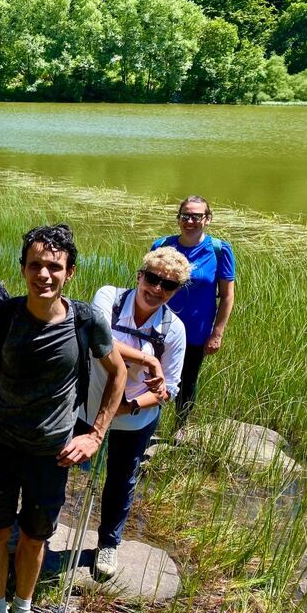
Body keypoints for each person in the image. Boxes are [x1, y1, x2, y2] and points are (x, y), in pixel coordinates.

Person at [0, 224, 125, 613]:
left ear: (70, 272)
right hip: (1, 445)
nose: (44, 274)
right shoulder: (2, 317)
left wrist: (95, 434)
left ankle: (23, 611)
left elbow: (116, 374)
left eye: (54, 266)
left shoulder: (86, 320)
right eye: (35, 265)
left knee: (36, 536)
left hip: (53, 453)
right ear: (22, 269)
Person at [85, 247, 189, 578]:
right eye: (153, 279)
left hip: (134, 416)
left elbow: (169, 389)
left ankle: (108, 544)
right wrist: (148, 359)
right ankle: (44, 526)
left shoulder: (174, 330)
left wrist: (128, 406)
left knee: (121, 479)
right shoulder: (109, 298)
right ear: (140, 275)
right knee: (63, 463)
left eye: (168, 285)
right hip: (87, 404)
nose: (158, 289)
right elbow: (97, 339)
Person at [150, 196, 235, 429]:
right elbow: (147, 287)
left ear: (207, 219)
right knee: (152, 378)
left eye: (197, 216)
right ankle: (148, 426)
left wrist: (217, 333)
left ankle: (179, 428)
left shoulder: (219, 250)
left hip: (196, 331)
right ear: (178, 218)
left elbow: (227, 296)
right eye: (185, 215)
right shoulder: (161, 246)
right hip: (159, 328)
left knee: (188, 381)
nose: (190, 221)